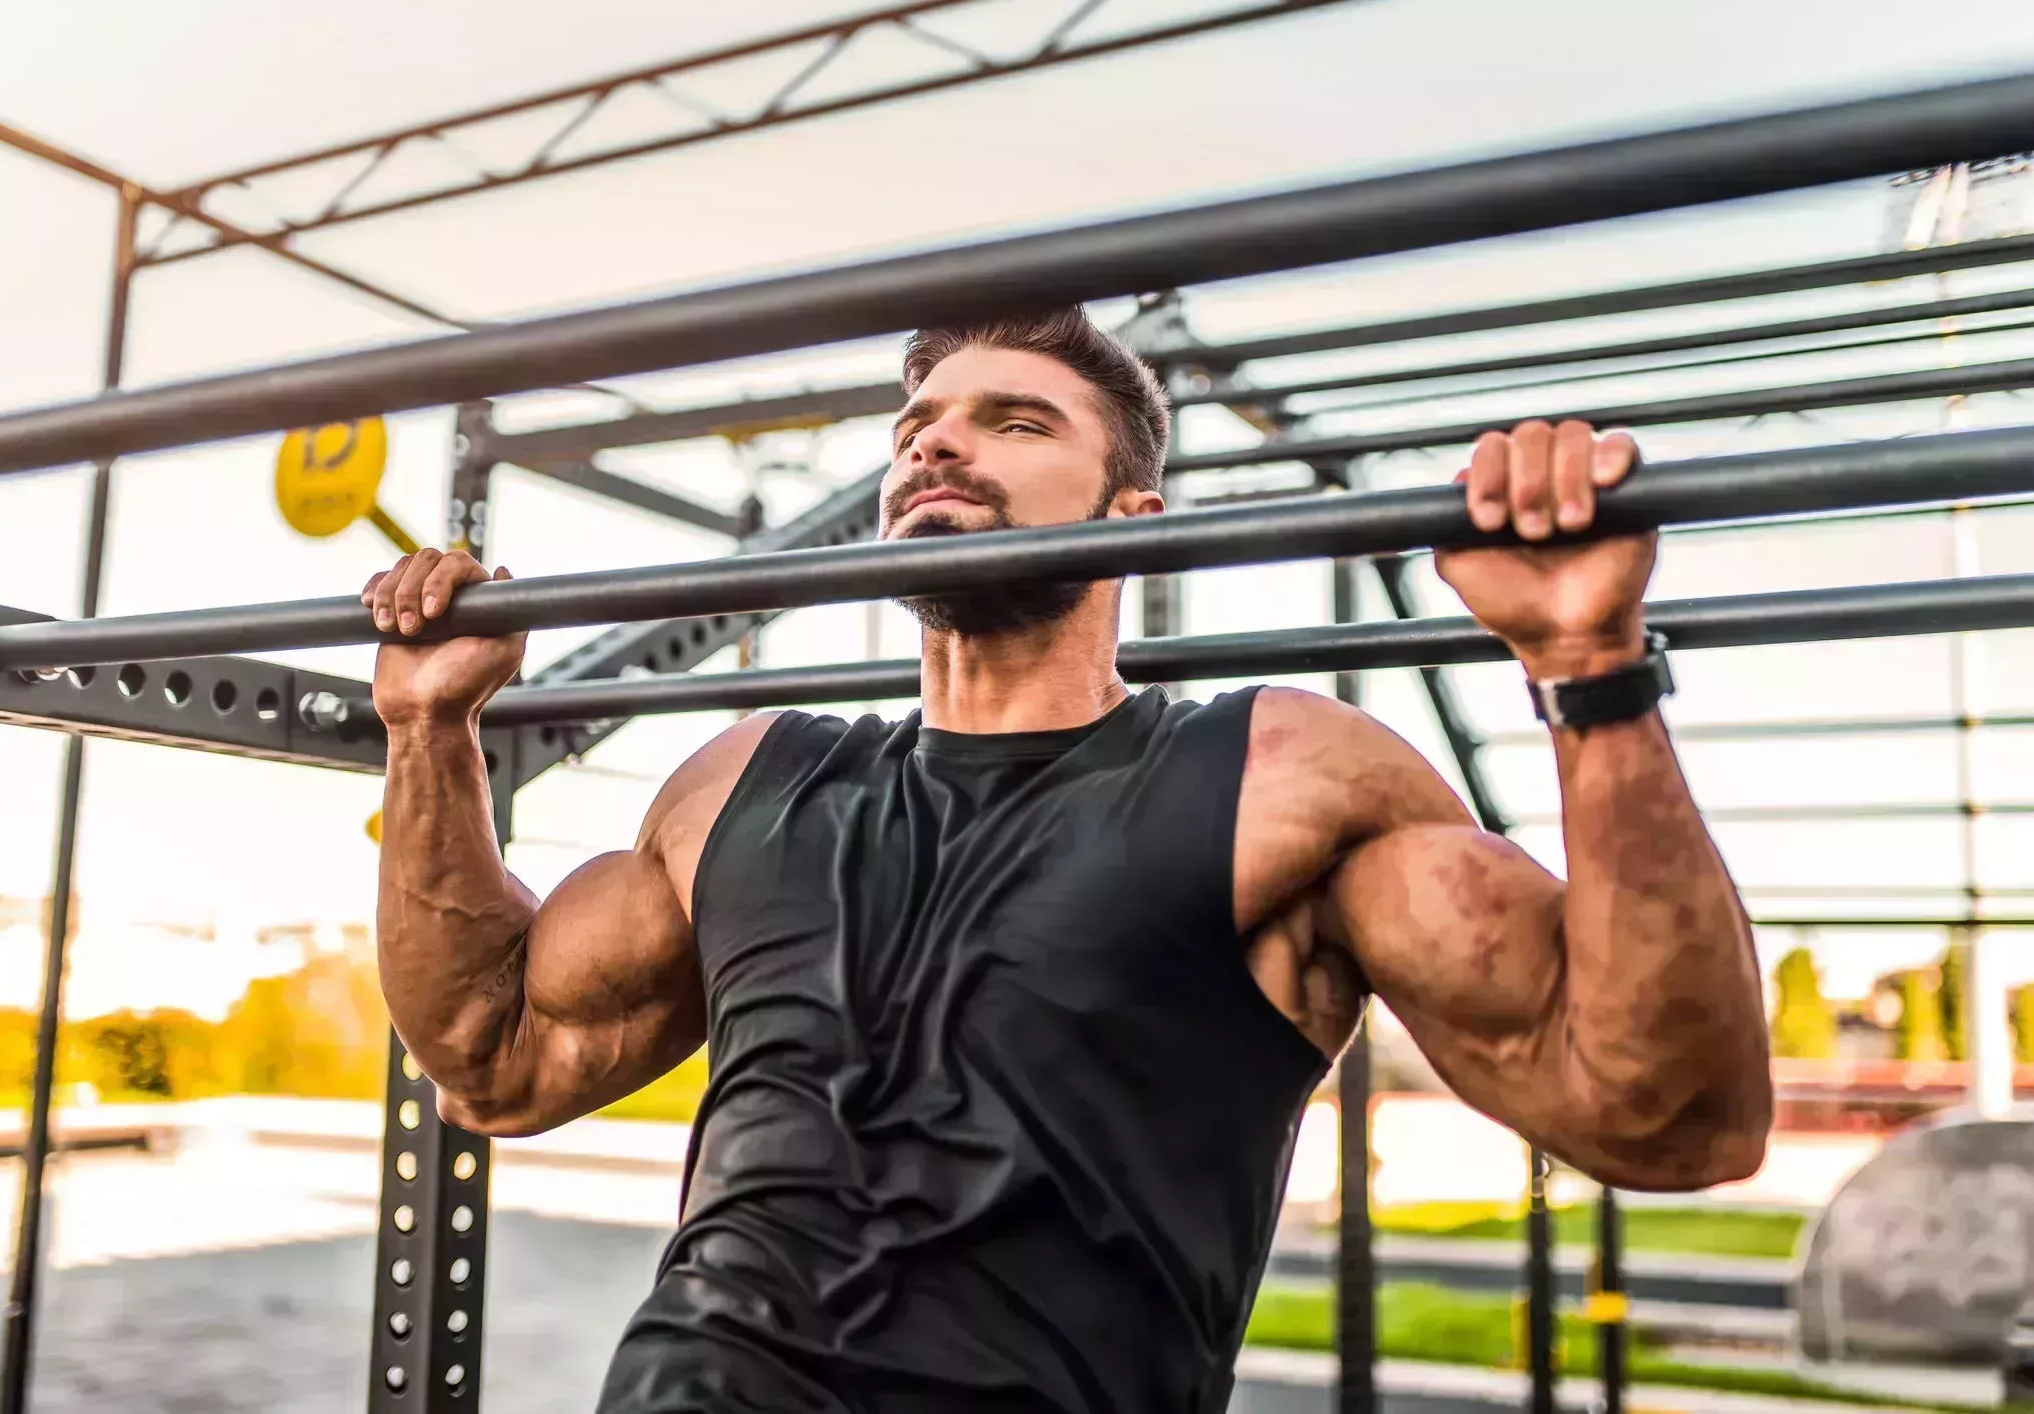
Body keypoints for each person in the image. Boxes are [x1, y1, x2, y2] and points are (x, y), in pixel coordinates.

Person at [364, 306, 1773, 1413]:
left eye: (1013, 420)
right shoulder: (747, 779)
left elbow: (1671, 1113)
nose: (933, 444)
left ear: (1129, 521)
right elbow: (495, 1052)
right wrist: (432, 728)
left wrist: (1590, 665)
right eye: (917, 424)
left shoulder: (1279, 778)